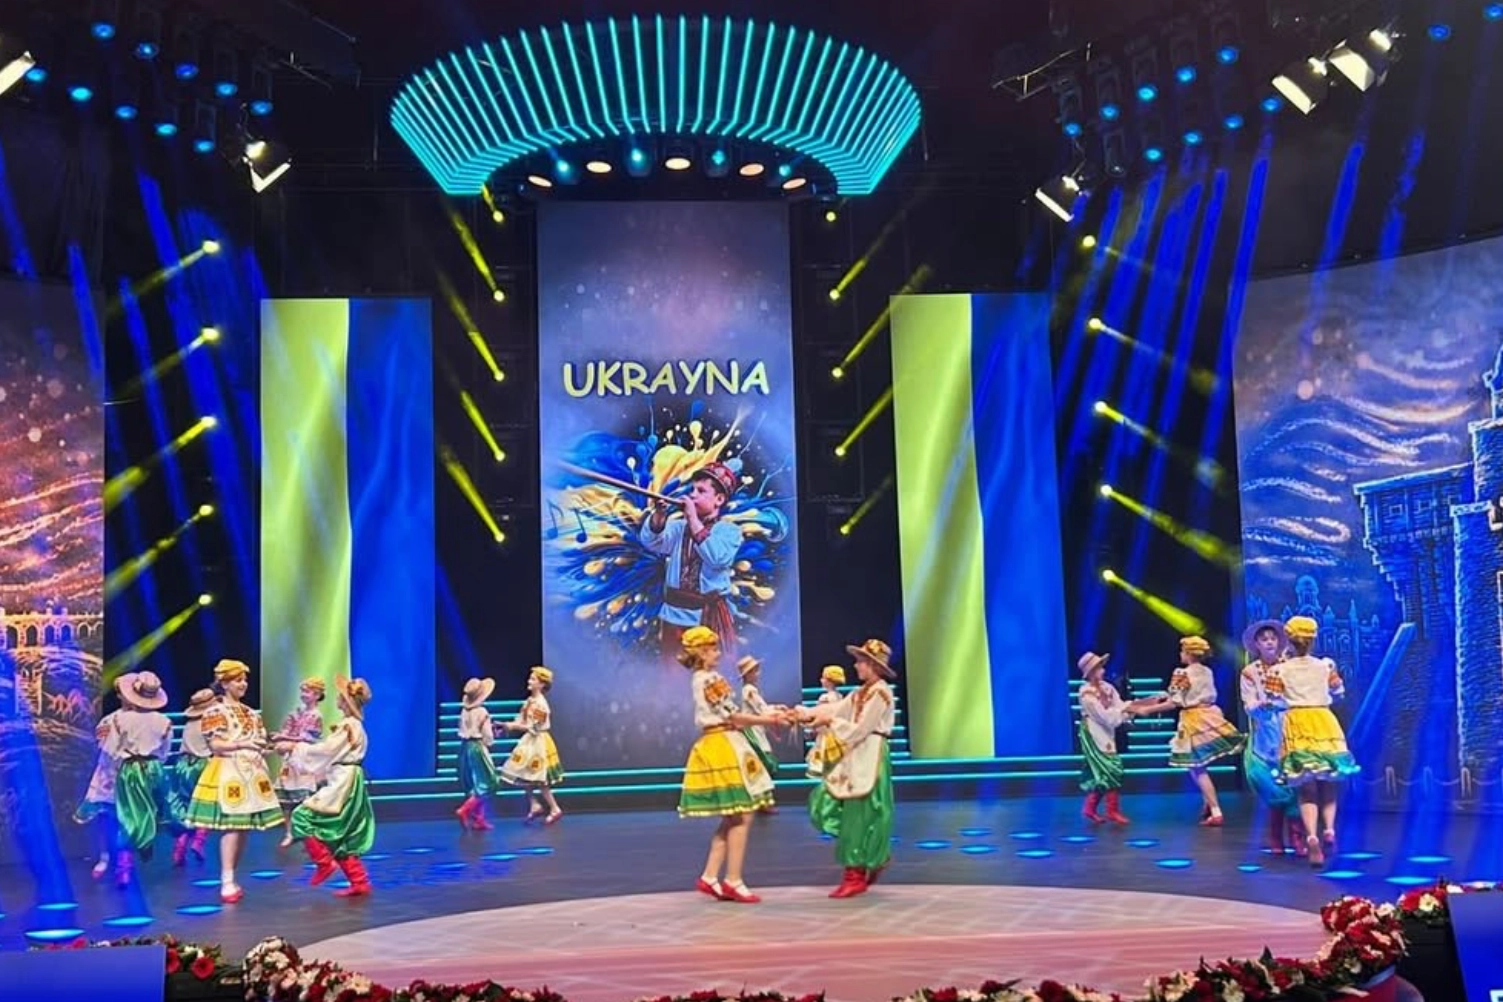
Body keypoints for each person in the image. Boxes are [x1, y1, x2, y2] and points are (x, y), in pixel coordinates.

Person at [676, 625, 784, 903]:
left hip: (723, 740)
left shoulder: (703, 678)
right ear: (701, 653)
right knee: (743, 812)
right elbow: (734, 716)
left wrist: (772, 713)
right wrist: (769, 720)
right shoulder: (709, 679)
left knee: (735, 815)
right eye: (712, 649)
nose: (717, 653)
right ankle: (733, 880)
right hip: (723, 743)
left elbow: (734, 714)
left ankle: (711, 876)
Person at [799, 638, 898, 899]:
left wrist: (831, 722)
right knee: (827, 803)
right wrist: (805, 714)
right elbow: (837, 709)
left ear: (873, 666)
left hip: (870, 754)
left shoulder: (881, 693)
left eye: (861, 661)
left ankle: (856, 872)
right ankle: (868, 857)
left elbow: (861, 729)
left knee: (863, 813)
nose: (856, 666)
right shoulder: (860, 692)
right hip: (855, 753)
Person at [184, 659, 284, 903]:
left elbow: (258, 741)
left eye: (244, 680)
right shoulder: (215, 712)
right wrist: (242, 744)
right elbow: (216, 745)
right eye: (238, 680)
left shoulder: (251, 712)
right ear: (224, 683)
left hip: (251, 771)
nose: (243, 684)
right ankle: (226, 879)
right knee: (232, 826)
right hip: (229, 770)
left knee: (243, 827)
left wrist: (268, 749)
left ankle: (232, 875)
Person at [1131, 636, 1245, 827]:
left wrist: (1147, 710)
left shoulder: (1182, 673)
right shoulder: (1207, 671)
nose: (1180, 654)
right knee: (1198, 765)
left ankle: (1215, 810)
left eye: (1183, 651)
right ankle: (1208, 803)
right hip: (1209, 714)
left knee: (1197, 767)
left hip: (1193, 720)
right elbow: (1183, 694)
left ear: (1189, 654)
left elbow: (1174, 702)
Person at [1276, 615, 1360, 867]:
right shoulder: (1325, 666)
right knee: (1329, 780)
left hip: (1297, 722)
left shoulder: (1280, 670)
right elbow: (1339, 692)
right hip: (1323, 720)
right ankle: (1330, 830)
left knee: (1306, 786)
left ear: (1289, 640)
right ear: (1313, 640)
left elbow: (1273, 699)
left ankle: (1312, 835)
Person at [280, 677, 376, 897]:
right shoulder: (353, 725)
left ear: (346, 700)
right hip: (347, 778)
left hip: (344, 782)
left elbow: (325, 750)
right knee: (340, 832)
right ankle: (359, 881)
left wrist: (294, 747)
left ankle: (324, 862)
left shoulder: (348, 725)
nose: (337, 699)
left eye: (340, 696)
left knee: (301, 816)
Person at [639, 462, 744, 653]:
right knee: (671, 669)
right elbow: (652, 542)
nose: (693, 495)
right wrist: (659, 516)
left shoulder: (729, 531)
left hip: (706, 619)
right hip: (673, 616)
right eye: (693, 489)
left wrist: (692, 518)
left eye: (701, 491)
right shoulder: (679, 527)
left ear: (719, 499)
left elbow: (717, 557)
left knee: (707, 669)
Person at [106, 671, 184, 886]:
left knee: (129, 815)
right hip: (155, 767)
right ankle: (181, 838)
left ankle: (124, 866)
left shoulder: (119, 719)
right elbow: (165, 751)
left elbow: (111, 749)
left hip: (130, 769)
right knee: (167, 806)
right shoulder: (164, 721)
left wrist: (118, 765)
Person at [1240, 620, 1304, 855]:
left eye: (1273, 638)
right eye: (1264, 639)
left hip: (1290, 727)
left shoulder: (1289, 667)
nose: (1269, 642)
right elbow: (1249, 704)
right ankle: (1276, 836)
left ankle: (1297, 837)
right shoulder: (1250, 672)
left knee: (1294, 783)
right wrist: (1261, 705)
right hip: (1266, 732)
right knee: (1273, 787)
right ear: (1256, 644)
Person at [500, 667, 565, 825]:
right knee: (522, 773)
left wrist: (513, 726)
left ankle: (554, 808)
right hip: (529, 741)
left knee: (540, 778)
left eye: (533, 679)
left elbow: (534, 727)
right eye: (530, 678)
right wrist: (508, 725)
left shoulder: (541, 705)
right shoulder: (529, 701)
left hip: (539, 741)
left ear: (541, 684)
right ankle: (534, 804)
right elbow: (522, 720)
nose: (529, 681)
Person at [1076, 651, 1133, 825]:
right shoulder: (1086, 693)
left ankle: (1090, 807)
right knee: (1111, 767)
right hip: (1094, 732)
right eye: (1099, 667)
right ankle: (1112, 810)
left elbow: (1119, 705)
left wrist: (1131, 708)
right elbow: (1105, 717)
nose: (1103, 670)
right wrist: (1123, 713)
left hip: (1107, 731)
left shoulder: (1108, 687)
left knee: (1104, 771)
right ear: (1092, 672)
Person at [272, 679, 327, 848]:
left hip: (305, 759)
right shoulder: (296, 712)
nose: (303, 695)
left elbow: (307, 738)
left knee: (304, 800)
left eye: (307, 692)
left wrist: (284, 738)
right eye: (302, 691)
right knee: (286, 801)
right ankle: (289, 832)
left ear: (317, 695)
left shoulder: (316, 715)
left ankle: (310, 834)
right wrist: (281, 737)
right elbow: (287, 729)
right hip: (291, 759)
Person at [169, 688, 217, 866]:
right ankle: (199, 840)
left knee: (185, 806)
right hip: (202, 765)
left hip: (182, 765)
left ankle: (180, 844)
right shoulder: (211, 723)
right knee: (208, 804)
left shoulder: (190, 724)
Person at [74, 704, 122, 880]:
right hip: (109, 773)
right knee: (104, 816)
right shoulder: (110, 720)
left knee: (129, 819)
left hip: (133, 775)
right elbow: (103, 746)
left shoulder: (149, 719)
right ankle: (104, 856)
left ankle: (123, 859)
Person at [737, 655, 782, 811]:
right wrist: (777, 713)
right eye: (755, 671)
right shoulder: (749, 690)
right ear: (748, 674)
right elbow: (761, 709)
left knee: (762, 764)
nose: (758, 674)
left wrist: (776, 709)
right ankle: (760, 801)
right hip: (752, 731)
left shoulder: (750, 690)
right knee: (763, 762)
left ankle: (763, 801)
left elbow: (762, 708)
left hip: (757, 729)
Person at [454, 677, 500, 831]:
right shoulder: (482, 712)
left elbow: (461, 730)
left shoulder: (464, 711)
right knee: (488, 782)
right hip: (477, 747)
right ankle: (464, 810)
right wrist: (492, 739)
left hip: (465, 747)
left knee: (474, 783)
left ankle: (479, 817)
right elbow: (487, 736)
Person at [805, 665, 845, 779]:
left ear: (829, 681)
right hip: (836, 734)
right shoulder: (840, 697)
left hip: (825, 733)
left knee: (821, 760)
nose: (821, 680)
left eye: (823, 678)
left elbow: (819, 715)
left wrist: (812, 729)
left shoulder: (825, 698)